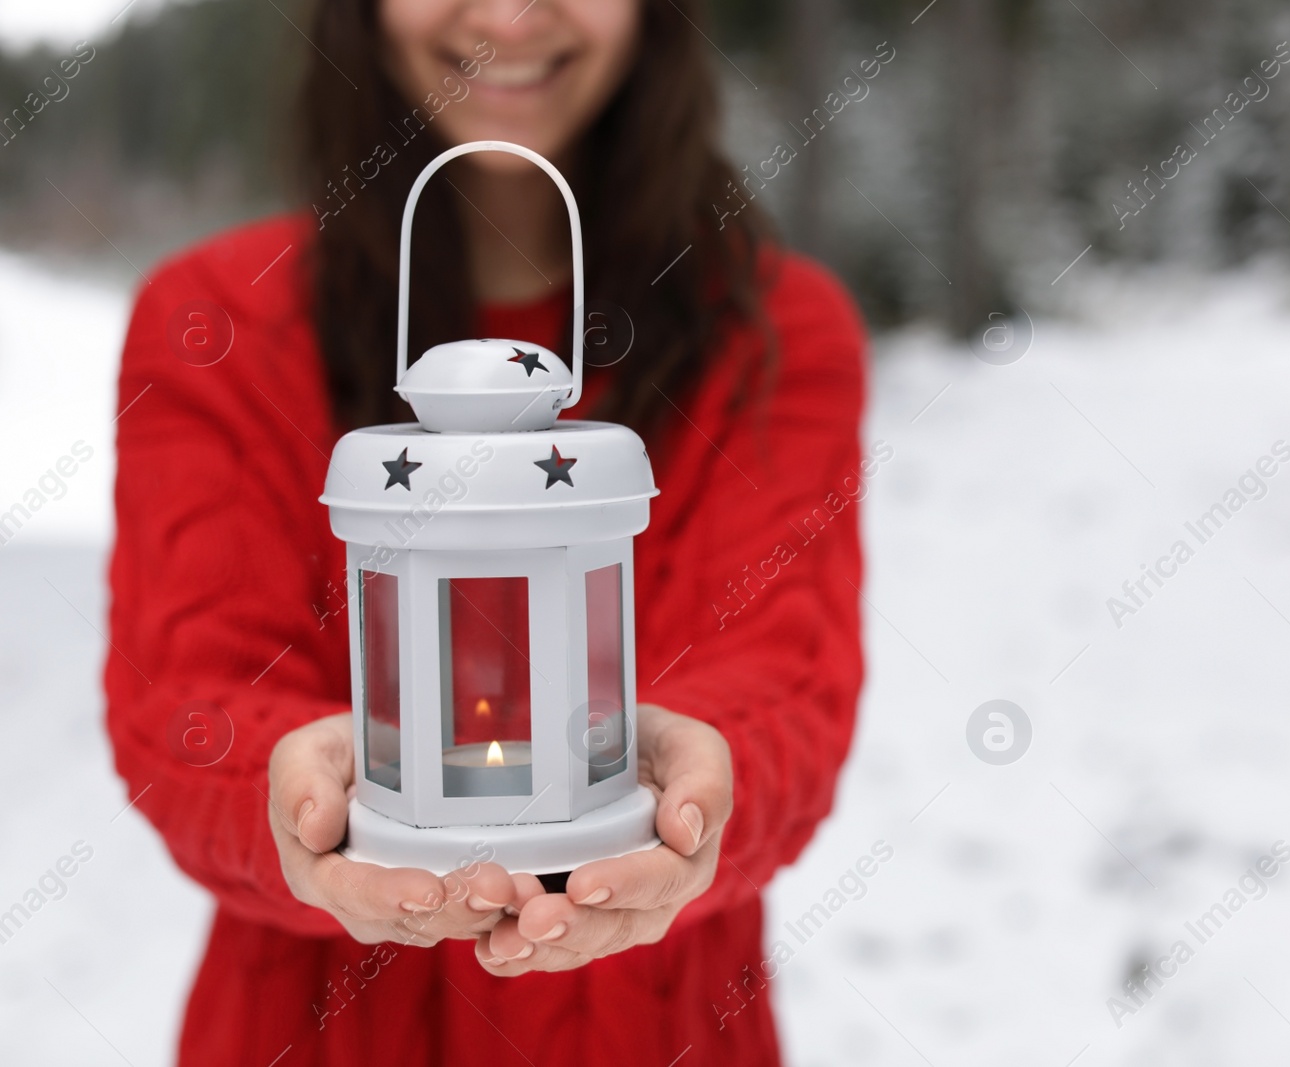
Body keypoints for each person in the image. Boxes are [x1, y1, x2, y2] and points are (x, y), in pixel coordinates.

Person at [104, 1, 866, 1063]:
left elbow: (785, 672)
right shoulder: (214, 325)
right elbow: (186, 697)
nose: (510, 14)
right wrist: (296, 794)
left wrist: (698, 779)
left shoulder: (774, 329)